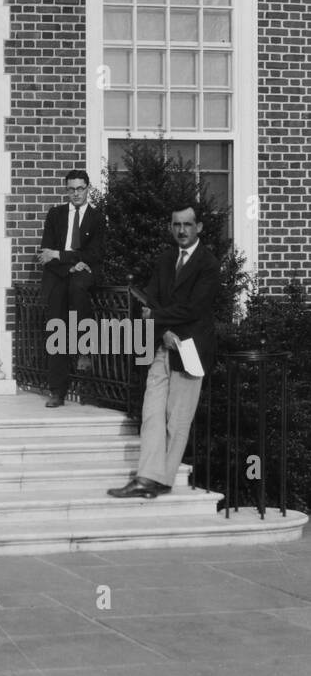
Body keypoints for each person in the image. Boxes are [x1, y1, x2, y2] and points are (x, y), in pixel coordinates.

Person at [108, 204, 218, 499]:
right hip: (164, 344)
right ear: (171, 227)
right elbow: (150, 300)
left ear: (199, 228)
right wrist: (162, 331)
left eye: (188, 225)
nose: (182, 230)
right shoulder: (165, 259)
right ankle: (147, 477)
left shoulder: (208, 264)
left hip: (190, 350)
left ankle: (159, 480)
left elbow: (194, 308)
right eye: (176, 225)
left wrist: (156, 320)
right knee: (151, 413)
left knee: (176, 420)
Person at [38, 168, 106, 407]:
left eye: (80, 188)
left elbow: (94, 254)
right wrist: (69, 265)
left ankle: (84, 349)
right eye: (71, 189)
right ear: (66, 190)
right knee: (56, 329)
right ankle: (57, 391)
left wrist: (61, 254)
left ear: (88, 188)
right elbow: (46, 255)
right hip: (60, 275)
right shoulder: (55, 214)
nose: (76, 193)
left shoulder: (97, 218)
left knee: (78, 289)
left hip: (83, 275)